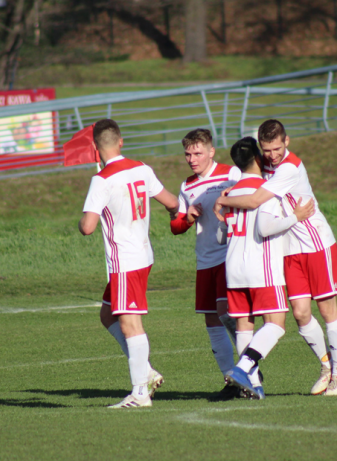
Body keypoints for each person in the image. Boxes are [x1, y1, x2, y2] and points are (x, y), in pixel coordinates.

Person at [215, 119, 337, 397]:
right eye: (266, 150)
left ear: (286, 142)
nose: (272, 155)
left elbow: (254, 201)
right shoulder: (266, 165)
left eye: (277, 148)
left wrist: (223, 200)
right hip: (289, 249)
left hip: (315, 243)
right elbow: (247, 173)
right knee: (300, 313)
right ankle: (327, 368)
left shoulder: (289, 168)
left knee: (326, 310)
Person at [79, 119, 179, 408]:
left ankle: (139, 393)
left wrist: (81, 219)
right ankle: (146, 371)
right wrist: (182, 212)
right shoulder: (142, 168)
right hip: (143, 256)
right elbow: (170, 201)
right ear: (121, 141)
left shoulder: (102, 179)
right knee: (107, 315)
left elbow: (87, 227)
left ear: (96, 148)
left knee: (130, 324)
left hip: (125, 261)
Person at [217, 137, 315, 399]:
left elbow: (221, 234)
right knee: (276, 324)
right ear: (258, 158)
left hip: (233, 267)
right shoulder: (265, 189)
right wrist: (296, 217)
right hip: (261, 267)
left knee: (244, 326)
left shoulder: (230, 192)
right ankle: (242, 368)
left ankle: (252, 385)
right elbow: (265, 227)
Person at [170, 129, 242, 400]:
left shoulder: (231, 174)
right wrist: (187, 218)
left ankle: (249, 369)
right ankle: (231, 380)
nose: (192, 158)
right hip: (205, 260)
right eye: (188, 153)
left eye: (197, 153)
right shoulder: (186, 186)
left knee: (225, 313)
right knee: (212, 321)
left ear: (211, 152)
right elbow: (175, 227)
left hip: (229, 255)